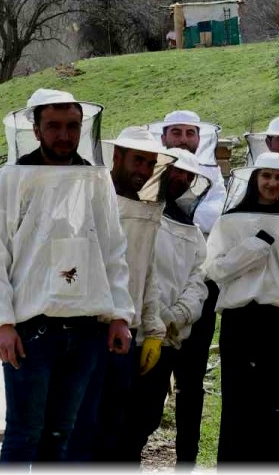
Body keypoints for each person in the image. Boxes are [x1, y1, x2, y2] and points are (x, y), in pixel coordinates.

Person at [0, 89, 134, 465]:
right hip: (32, 331)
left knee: (62, 436)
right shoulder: (10, 180)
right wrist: (1, 322)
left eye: (72, 126)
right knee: (23, 434)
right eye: (54, 126)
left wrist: (120, 315)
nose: (64, 135)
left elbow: (112, 250)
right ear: (35, 128)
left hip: (85, 330)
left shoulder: (95, 179)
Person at [70, 127, 173, 462]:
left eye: (150, 163)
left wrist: (154, 330)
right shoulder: (90, 201)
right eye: (137, 160)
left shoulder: (147, 207)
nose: (143, 170)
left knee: (119, 429)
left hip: (127, 336)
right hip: (88, 331)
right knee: (84, 431)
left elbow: (147, 271)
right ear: (117, 157)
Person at [204, 153, 279, 462]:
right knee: (239, 402)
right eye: (266, 176)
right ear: (254, 179)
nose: (272, 183)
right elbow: (215, 269)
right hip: (242, 320)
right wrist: (254, 247)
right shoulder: (229, 221)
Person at [119, 148, 213, 462]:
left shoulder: (193, 231)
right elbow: (140, 271)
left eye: (188, 176)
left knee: (148, 415)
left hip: (171, 336)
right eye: (177, 172)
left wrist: (180, 315)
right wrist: (159, 315)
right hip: (137, 332)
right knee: (127, 420)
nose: (182, 179)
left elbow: (198, 278)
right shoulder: (137, 213)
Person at [150, 109, 226, 467]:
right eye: (176, 132)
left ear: (200, 138)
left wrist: (185, 212)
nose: (183, 138)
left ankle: (187, 461)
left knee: (191, 382)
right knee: (149, 382)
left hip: (200, 289)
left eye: (190, 133)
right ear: (164, 137)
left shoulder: (214, 176)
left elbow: (216, 217)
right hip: (152, 295)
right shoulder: (149, 174)